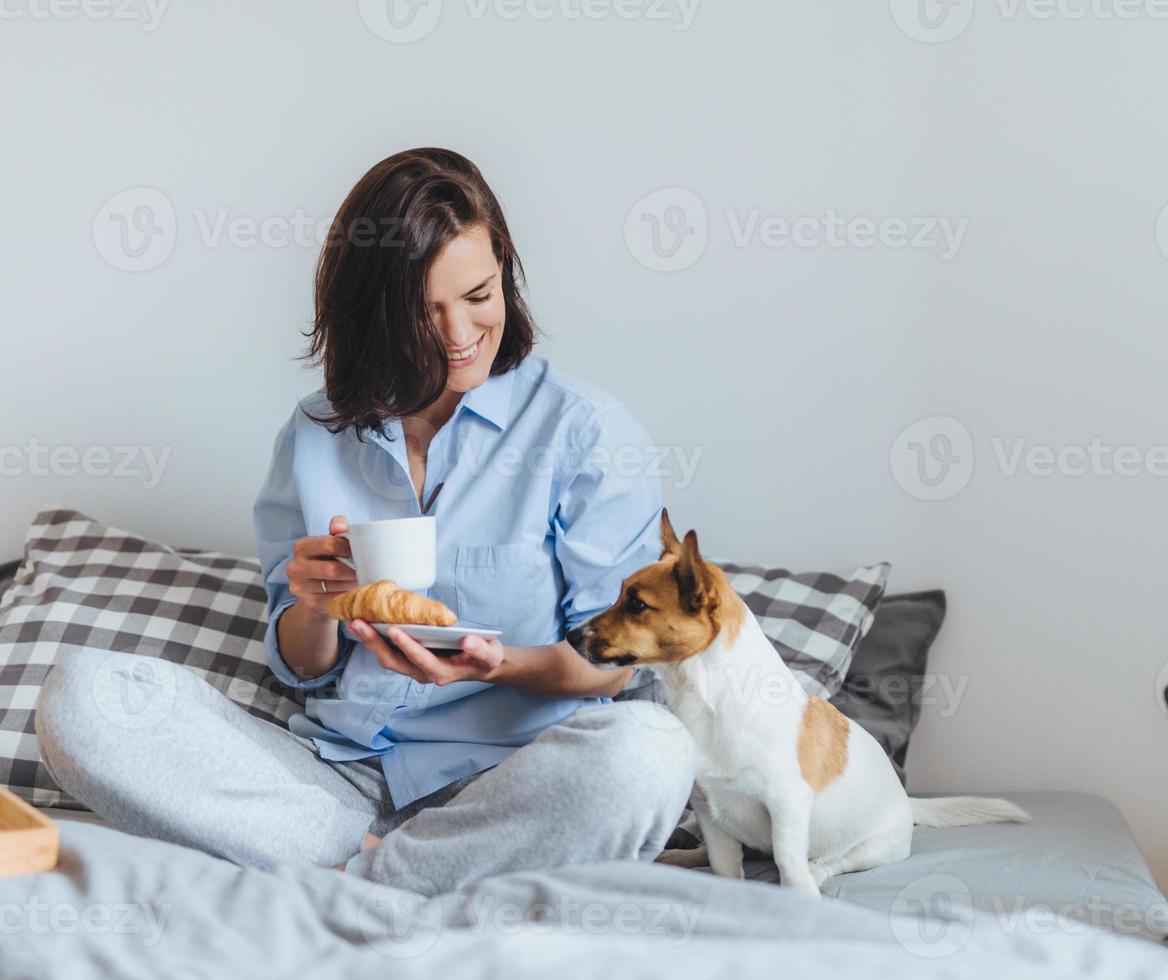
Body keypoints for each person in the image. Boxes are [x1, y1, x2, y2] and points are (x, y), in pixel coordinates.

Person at [36, 148, 695, 895]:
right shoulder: (316, 432)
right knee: (83, 700)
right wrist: (314, 604)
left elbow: (614, 665)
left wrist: (498, 663)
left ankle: (364, 879)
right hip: (335, 782)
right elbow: (304, 667)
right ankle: (394, 869)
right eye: (424, 311)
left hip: (515, 786)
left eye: (478, 294)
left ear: (504, 266)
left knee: (649, 753)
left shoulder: (583, 433)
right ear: (375, 312)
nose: (459, 333)